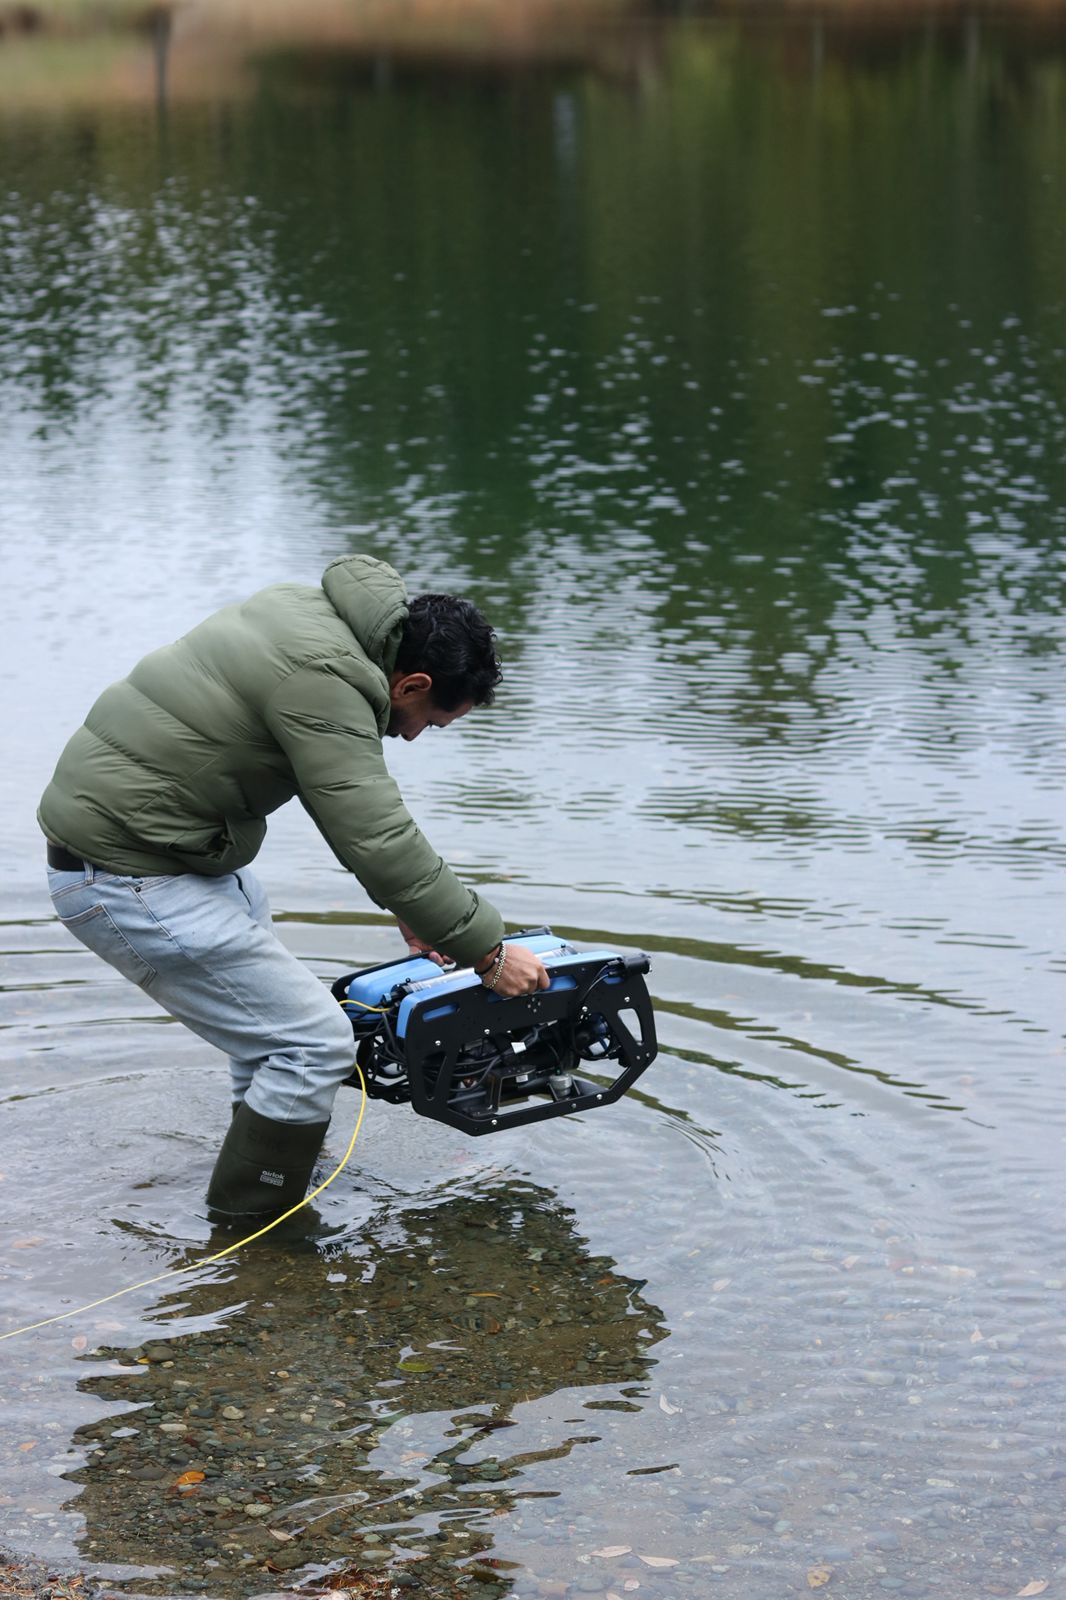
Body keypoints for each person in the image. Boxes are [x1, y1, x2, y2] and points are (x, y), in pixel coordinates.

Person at [38, 553, 549, 1218]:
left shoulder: (308, 616)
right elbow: (376, 833)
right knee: (313, 1044)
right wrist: (489, 951)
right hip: (126, 874)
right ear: (413, 682)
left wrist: (418, 911)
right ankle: (255, 1229)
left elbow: (354, 817)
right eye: (430, 720)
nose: (416, 736)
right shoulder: (327, 678)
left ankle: (269, 1172)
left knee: (276, 1035)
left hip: (169, 854)